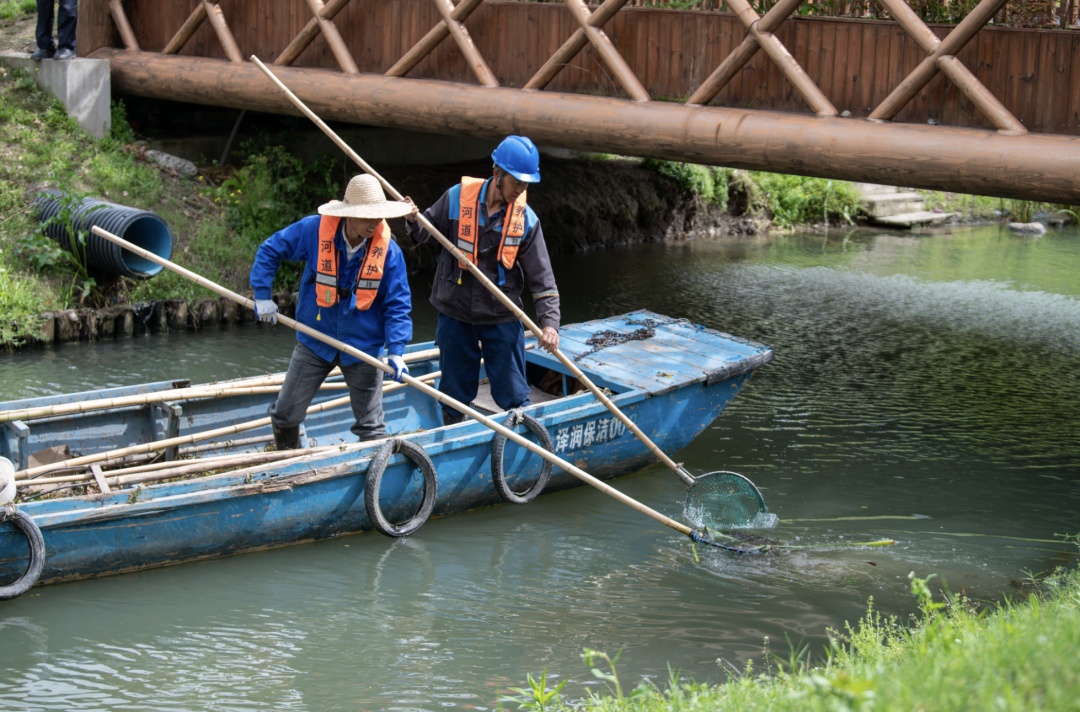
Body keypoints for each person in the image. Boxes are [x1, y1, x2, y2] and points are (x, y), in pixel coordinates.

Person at [404, 135, 560, 426]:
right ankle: (453, 436)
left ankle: (518, 444)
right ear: (497, 172)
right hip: (455, 312)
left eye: (526, 184)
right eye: (517, 182)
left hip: (501, 315)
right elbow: (424, 233)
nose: (521, 190)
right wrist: (414, 221)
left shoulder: (526, 219)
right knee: (453, 390)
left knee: (513, 392)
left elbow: (543, 278)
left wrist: (549, 323)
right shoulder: (455, 198)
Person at [250, 174, 414, 450]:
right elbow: (270, 250)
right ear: (349, 214)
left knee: (371, 427)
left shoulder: (389, 252)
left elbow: (398, 303)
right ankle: (289, 462)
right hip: (316, 337)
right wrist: (262, 295)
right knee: (285, 414)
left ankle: (373, 482)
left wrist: (397, 350)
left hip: (363, 346)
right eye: (367, 216)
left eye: (378, 216)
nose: (374, 223)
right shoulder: (313, 231)